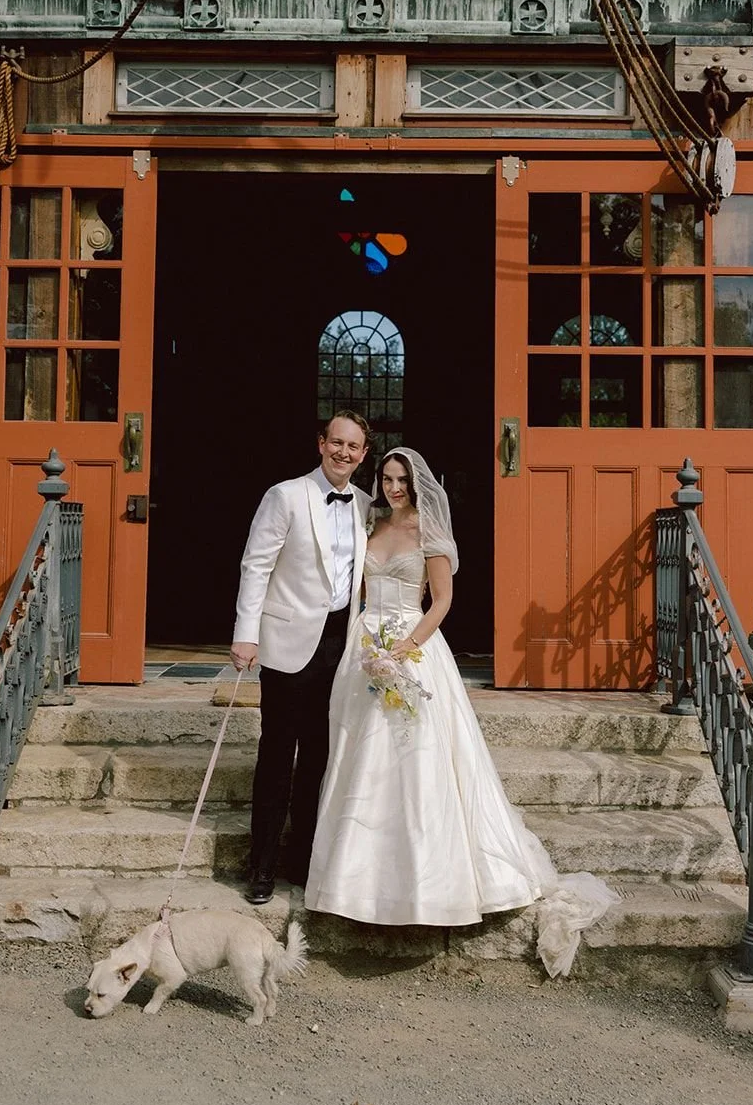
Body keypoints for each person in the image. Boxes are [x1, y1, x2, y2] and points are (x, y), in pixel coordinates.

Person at [305, 447, 617, 976]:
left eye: (402, 480)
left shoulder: (430, 533)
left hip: (412, 646)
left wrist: (404, 650)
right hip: (365, 647)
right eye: (387, 478)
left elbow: (442, 602)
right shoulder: (369, 523)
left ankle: (427, 887)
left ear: (418, 485)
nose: (394, 488)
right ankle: (354, 884)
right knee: (360, 759)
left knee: (416, 760)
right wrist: (368, 650)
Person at [231, 412, 372, 905]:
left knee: (319, 757)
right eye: (337, 442)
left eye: (353, 446)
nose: (343, 453)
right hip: (287, 642)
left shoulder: (367, 506)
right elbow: (256, 566)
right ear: (321, 443)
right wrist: (246, 635)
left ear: (363, 454)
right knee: (277, 755)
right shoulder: (286, 495)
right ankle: (262, 864)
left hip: (340, 645)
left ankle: (303, 859)